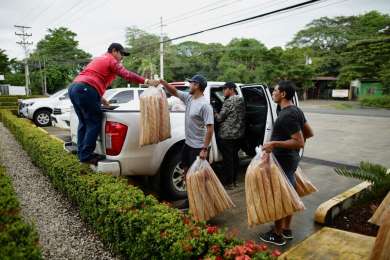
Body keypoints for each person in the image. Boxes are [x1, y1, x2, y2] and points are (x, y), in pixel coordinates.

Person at [68, 43, 159, 165]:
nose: (122, 57)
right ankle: (87, 156)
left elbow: (92, 78)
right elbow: (127, 74)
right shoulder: (111, 60)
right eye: (121, 54)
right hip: (85, 89)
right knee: (94, 121)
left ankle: (82, 153)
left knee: (84, 123)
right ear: (114, 51)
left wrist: (100, 98)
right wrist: (147, 81)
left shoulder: (99, 59)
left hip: (74, 87)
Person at [259, 80, 314, 246]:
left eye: (275, 90)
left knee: (281, 196)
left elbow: (300, 142)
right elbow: (309, 133)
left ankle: (277, 234)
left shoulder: (287, 115)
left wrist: (274, 144)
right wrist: (293, 151)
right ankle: (286, 229)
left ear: (283, 94)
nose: (273, 93)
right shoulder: (295, 110)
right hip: (290, 159)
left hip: (283, 161)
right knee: (289, 193)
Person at [159, 75, 214, 209]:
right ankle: (190, 200)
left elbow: (210, 128)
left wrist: (204, 149)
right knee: (186, 172)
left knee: (197, 178)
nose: (189, 85)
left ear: (198, 86)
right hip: (188, 144)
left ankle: (199, 205)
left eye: (191, 83)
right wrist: (163, 82)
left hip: (198, 147)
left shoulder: (205, 106)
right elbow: (174, 91)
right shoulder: (189, 98)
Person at [214, 82, 245, 189]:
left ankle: (228, 183)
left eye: (225, 89)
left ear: (231, 89)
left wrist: (213, 111)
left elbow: (219, 118)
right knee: (234, 158)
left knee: (228, 160)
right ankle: (234, 181)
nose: (223, 91)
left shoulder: (228, 101)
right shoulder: (241, 99)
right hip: (238, 134)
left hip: (226, 135)